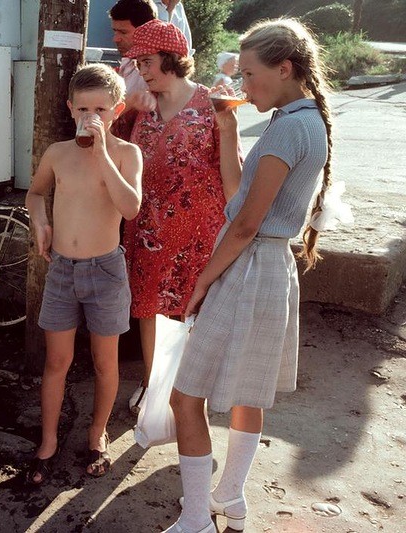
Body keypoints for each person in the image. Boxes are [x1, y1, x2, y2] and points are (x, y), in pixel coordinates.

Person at [165, 18, 334, 533]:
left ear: (285, 69)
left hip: (248, 267)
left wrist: (201, 281)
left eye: (251, 74)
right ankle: (231, 500)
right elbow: (240, 194)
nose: (244, 86)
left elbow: (243, 224)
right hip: (271, 269)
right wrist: (228, 127)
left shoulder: (289, 126)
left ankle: (196, 519)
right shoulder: (304, 121)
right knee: (248, 392)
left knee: (184, 397)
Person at [24, 64, 142, 485]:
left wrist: (103, 153)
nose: (92, 116)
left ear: (118, 111)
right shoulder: (58, 153)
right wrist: (40, 223)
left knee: (104, 362)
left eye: (102, 109)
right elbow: (35, 193)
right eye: (83, 108)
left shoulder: (127, 154)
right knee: (57, 361)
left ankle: (97, 435)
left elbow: (130, 208)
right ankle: (49, 440)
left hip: (106, 271)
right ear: (70, 107)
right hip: (62, 270)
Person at [122, 20, 239, 415]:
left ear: (172, 59)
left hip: (199, 231)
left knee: (192, 311)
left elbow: (231, 171)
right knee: (150, 308)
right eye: (138, 63)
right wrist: (123, 112)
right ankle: (153, 386)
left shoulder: (212, 104)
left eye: (148, 61)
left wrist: (234, 225)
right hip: (148, 228)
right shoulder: (140, 107)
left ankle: (188, 394)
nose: (142, 70)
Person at [108, 0, 158, 140]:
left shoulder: (158, 70)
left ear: (146, 30)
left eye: (123, 32)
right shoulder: (126, 64)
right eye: (115, 31)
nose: (116, 39)